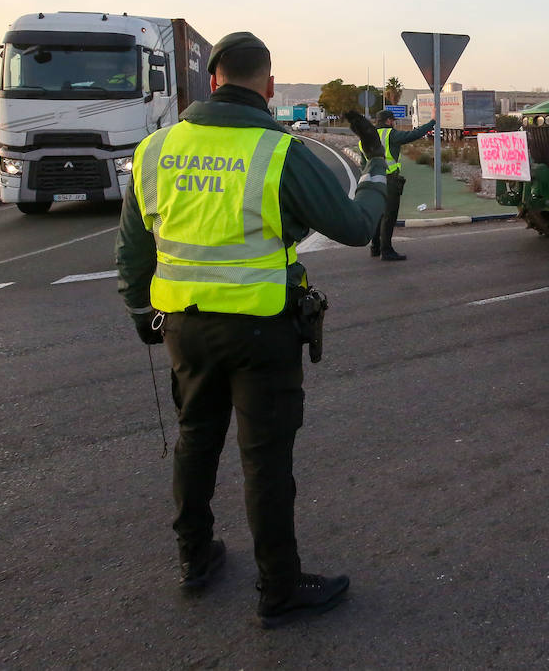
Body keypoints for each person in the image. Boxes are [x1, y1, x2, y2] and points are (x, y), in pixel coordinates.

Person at [114, 31, 393, 628]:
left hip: (183, 329)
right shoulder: (279, 154)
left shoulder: (154, 150)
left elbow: (134, 249)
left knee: (195, 438)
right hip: (261, 331)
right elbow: (352, 227)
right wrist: (375, 169)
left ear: (211, 81)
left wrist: (142, 315)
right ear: (268, 86)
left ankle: (194, 558)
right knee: (265, 459)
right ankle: (279, 587)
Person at [361, 109, 435, 261]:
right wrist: (432, 122)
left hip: (372, 181)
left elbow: (363, 163)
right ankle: (386, 250)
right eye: (393, 121)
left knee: (378, 214)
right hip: (389, 179)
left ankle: (375, 248)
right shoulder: (391, 134)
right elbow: (413, 134)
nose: (394, 123)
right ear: (388, 121)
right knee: (389, 216)